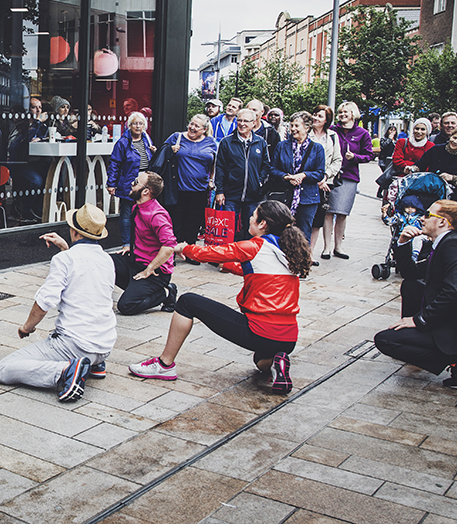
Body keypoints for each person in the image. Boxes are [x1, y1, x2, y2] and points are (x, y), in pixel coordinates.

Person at [128, 200, 309, 395]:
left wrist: (185, 249)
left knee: (187, 302)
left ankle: (164, 364)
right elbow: (258, 271)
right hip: (288, 339)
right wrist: (228, 266)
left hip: (259, 331)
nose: (250, 217)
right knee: (260, 361)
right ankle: (278, 362)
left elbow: (214, 252)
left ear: (263, 224)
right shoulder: (287, 250)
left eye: (254, 215)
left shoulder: (255, 246)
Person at [374, 200, 457, 389]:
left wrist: (419, 320)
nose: (422, 218)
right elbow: (411, 273)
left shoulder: (455, 246)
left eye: (427, 214)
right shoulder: (443, 244)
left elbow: (454, 294)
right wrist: (402, 243)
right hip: (449, 318)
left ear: (442, 222)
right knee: (411, 286)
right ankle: (450, 354)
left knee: (385, 340)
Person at [0, 204, 118, 403]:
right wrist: (65, 249)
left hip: (75, 344)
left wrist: (27, 327)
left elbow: (45, 302)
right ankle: (95, 364)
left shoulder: (64, 260)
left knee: (4, 369)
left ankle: (65, 371)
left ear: (74, 231)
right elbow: (83, 273)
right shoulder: (106, 259)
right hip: (104, 344)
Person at [110, 171, 177, 315]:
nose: (131, 184)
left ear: (145, 191)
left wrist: (149, 269)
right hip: (135, 261)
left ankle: (165, 292)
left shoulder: (157, 215)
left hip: (155, 272)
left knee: (126, 306)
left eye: (135, 183)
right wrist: (130, 247)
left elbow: (169, 247)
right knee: (103, 262)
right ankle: (135, 289)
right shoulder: (137, 207)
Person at [322, 101, 373, 260]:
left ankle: (338, 247)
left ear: (353, 114)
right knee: (328, 211)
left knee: (342, 212)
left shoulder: (362, 133)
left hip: (349, 176)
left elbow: (369, 155)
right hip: (330, 175)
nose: (342, 115)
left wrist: (355, 157)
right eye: (340, 112)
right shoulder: (332, 131)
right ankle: (326, 247)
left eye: (346, 112)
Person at [160, 114, 216, 253]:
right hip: (177, 189)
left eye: (197, 126)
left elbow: (215, 163)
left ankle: (190, 251)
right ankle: (170, 253)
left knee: (193, 223)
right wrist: (170, 151)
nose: (192, 127)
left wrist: (211, 180)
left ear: (204, 129)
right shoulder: (176, 137)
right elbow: (160, 154)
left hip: (200, 190)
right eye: (191, 123)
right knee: (175, 222)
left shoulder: (211, 142)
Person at [213, 107, 270, 241]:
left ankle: (246, 258)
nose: (242, 124)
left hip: (253, 195)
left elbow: (266, 165)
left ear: (254, 123)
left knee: (251, 229)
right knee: (227, 229)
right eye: (239, 120)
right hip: (231, 194)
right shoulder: (227, 142)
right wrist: (219, 191)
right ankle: (226, 258)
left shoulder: (260, 142)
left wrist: (259, 181)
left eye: (246, 121)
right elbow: (220, 167)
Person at [270, 111, 325, 241]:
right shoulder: (282, 146)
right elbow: (272, 169)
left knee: (304, 231)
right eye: (291, 125)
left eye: (296, 126)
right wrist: (286, 177)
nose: (293, 129)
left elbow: (320, 173)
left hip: (308, 197)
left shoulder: (317, 148)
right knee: (280, 229)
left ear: (307, 127)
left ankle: (302, 259)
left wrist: (304, 175)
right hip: (285, 195)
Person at [106, 111, 155, 244]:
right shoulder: (123, 143)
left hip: (145, 181)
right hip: (129, 181)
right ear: (129, 126)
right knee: (127, 213)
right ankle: (127, 243)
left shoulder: (147, 140)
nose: (138, 126)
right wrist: (111, 184)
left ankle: (141, 242)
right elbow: (114, 164)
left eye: (141, 123)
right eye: (135, 124)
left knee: (143, 213)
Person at [307, 104, 342, 264]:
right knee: (304, 219)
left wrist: (326, 176)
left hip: (325, 183)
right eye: (315, 114)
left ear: (327, 120)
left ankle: (310, 252)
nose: (315, 118)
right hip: (308, 181)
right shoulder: (306, 133)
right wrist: (316, 177)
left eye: (320, 116)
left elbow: (337, 160)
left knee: (317, 221)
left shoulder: (333, 136)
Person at [415, 125, 457, 204]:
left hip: (456, 196)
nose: (455, 141)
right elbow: (421, 164)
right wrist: (412, 168)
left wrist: (452, 177)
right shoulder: (436, 150)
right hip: (433, 192)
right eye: (454, 137)